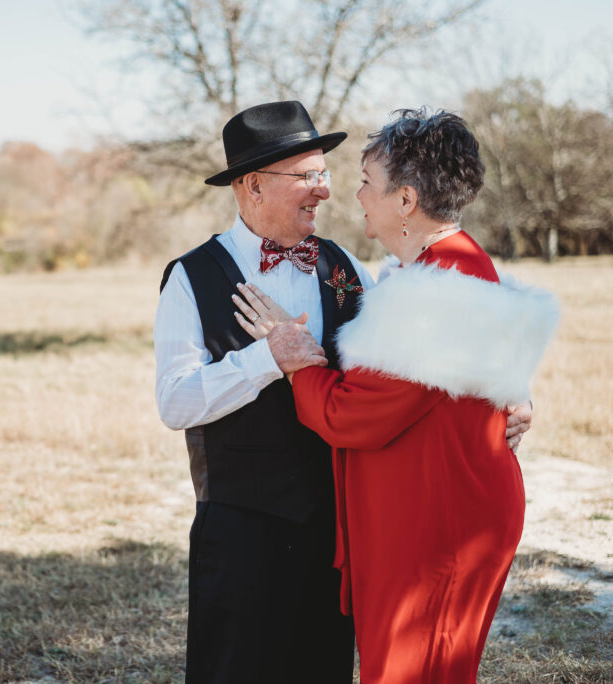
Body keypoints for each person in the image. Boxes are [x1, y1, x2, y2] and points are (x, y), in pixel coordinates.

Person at [231, 108, 558, 683]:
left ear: (405, 200)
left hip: (438, 531)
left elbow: (350, 414)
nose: (352, 195)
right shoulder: (438, 271)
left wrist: (296, 351)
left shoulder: (430, 298)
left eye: (365, 182)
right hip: (431, 514)